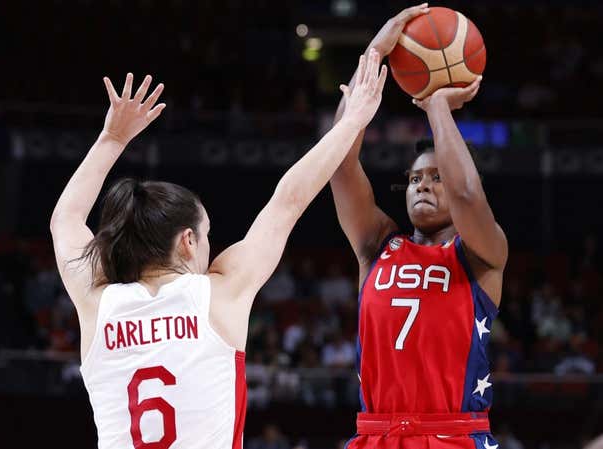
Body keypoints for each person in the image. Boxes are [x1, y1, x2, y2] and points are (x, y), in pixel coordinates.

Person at [50, 51, 387, 449]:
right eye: (207, 234)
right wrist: (351, 122)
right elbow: (289, 201)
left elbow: (66, 220)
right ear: (188, 240)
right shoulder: (219, 293)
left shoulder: (97, 301)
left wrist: (112, 139)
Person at [329, 4, 508, 449]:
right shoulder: (377, 245)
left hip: (454, 438)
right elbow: (336, 164)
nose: (422, 186)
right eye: (414, 178)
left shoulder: (483, 254)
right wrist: (373, 54)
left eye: (436, 177)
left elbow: (467, 196)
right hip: (376, 435)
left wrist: (437, 107)